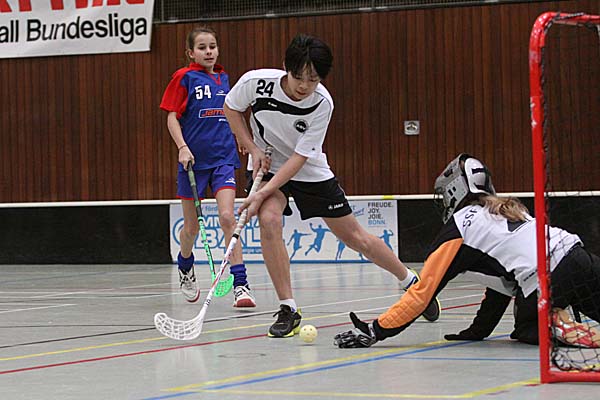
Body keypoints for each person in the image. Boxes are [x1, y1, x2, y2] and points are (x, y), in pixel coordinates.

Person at [223, 33, 441, 338]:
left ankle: (411, 283)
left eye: (313, 80)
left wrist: (261, 193)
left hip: (308, 169)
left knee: (356, 238)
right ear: (286, 66)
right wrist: (252, 148)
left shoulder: (322, 103)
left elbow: (299, 158)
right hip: (268, 163)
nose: (304, 86)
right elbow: (231, 108)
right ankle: (288, 308)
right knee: (269, 220)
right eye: (299, 77)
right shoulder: (256, 83)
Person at [334, 153, 600, 348]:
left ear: (454, 191)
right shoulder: (505, 210)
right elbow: (500, 287)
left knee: (526, 329)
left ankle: (556, 324)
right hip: (578, 256)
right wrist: (477, 331)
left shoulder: (460, 227)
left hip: (547, 279)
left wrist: (375, 330)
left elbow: (422, 294)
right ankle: (558, 317)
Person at [160, 26, 255, 308]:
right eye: (202, 47)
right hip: (193, 162)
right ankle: (185, 264)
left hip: (223, 158)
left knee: (228, 217)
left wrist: (242, 138)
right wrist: (182, 147)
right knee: (191, 228)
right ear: (191, 52)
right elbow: (171, 117)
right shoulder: (184, 77)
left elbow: (232, 113)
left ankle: (241, 285)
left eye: (212, 46)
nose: (209, 51)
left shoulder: (224, 79)